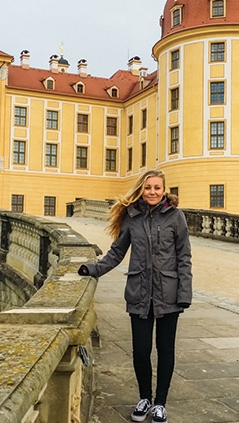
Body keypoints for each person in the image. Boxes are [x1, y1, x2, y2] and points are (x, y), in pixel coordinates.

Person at [78, 169, 192, 423]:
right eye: (148, 187)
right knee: (141, 351)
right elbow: (117, 252)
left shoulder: (176, 217)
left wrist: (184, 292)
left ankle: (160, 403)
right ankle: (144, 398)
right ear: (142, 189)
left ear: (164, 191)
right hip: (139, 292)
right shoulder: (132, 217)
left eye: (157, 188)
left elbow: (184, 257)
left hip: (168, 294)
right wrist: (93, 268)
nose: (152, 192)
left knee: (166, 350)